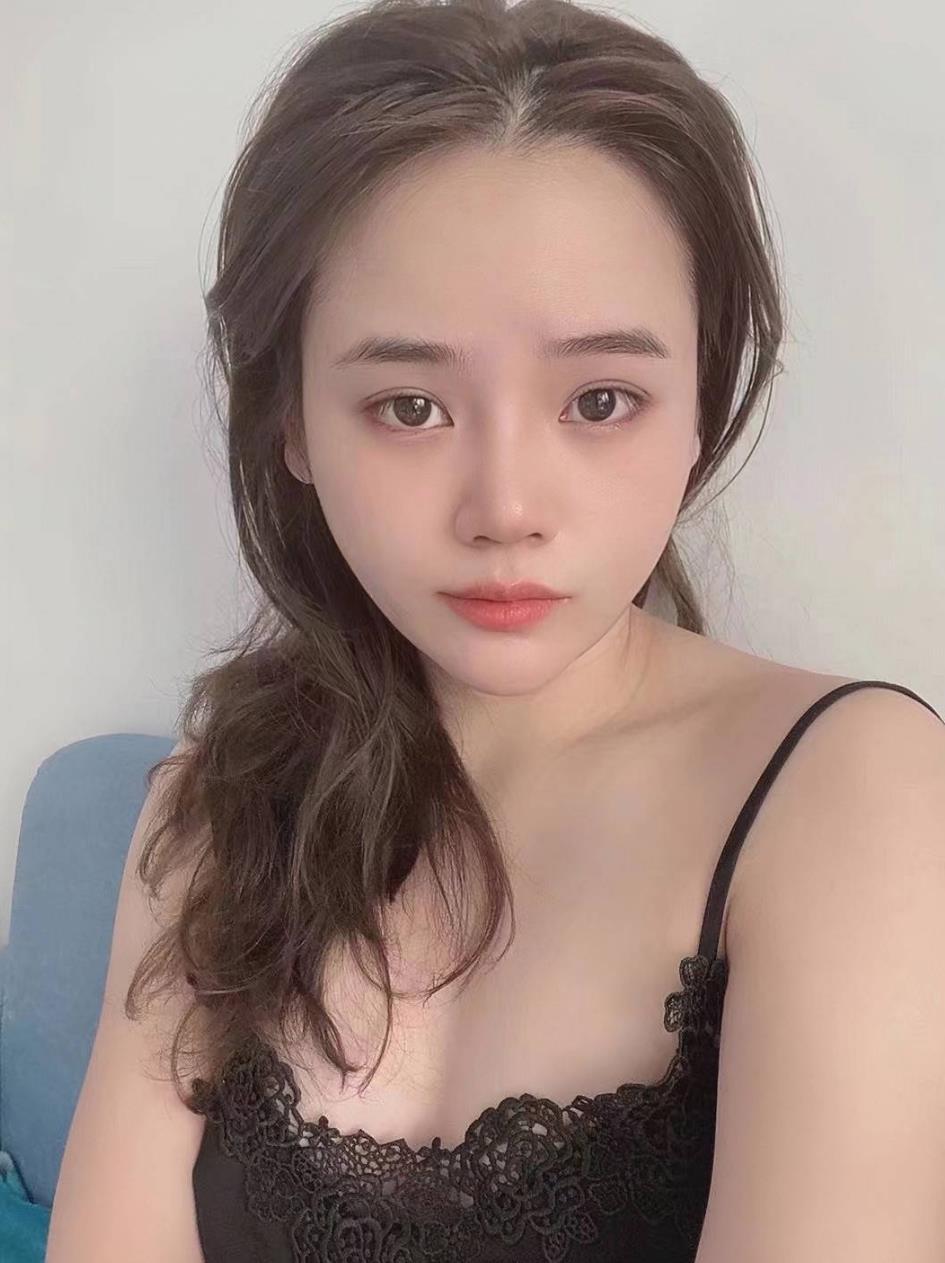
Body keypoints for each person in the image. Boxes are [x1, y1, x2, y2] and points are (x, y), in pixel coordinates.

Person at [46, 0, 945, 1259]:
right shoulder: (212, 808)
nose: (506, 509)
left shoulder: (852, 793)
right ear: (291, 421)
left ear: (701, 403)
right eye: (410, 406)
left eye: (600, 400)